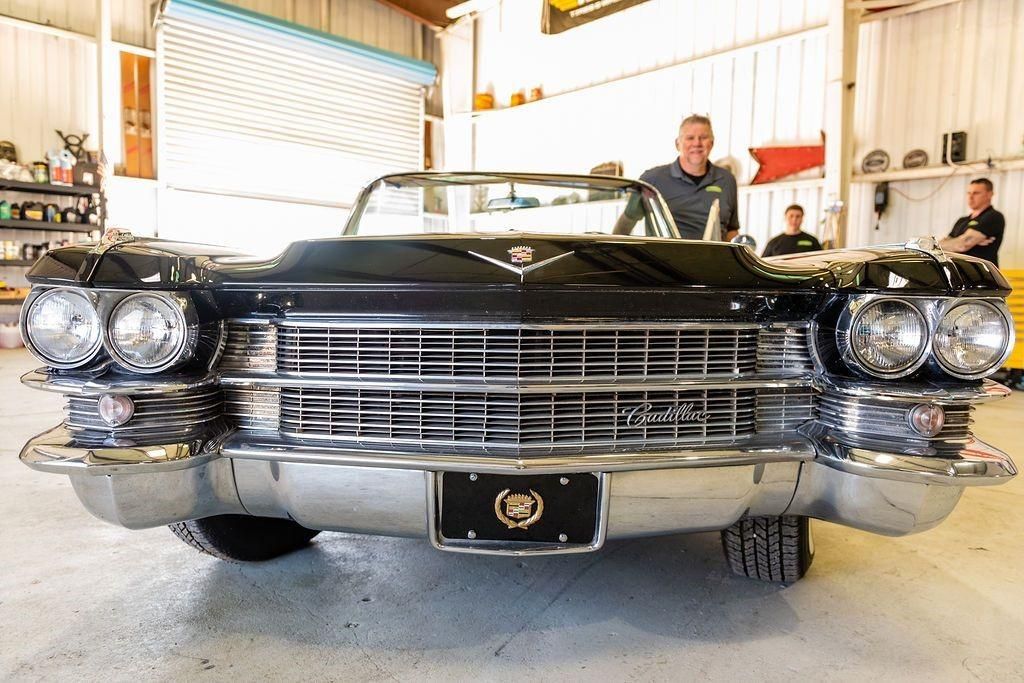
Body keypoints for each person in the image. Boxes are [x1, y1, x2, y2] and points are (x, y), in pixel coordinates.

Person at [614, 115, 739, 240]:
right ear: (677, 144)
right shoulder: (652, 180)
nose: (697, 143)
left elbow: (731, 231)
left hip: (715, 253)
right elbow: (626, 223)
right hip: (665, 253)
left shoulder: (727, 180)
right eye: (690, 138)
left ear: (712, 143)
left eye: (703, 137)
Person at [939, 178, 1004, 266]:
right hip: (959, 271)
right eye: (969, 193)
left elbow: (962, 245)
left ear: (989, 194)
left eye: (976, 193)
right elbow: (947, 243)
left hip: (981, 272)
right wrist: (955, 242)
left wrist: (956, 243)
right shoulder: (962, 221)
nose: (971, 197)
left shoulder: (994, 216)